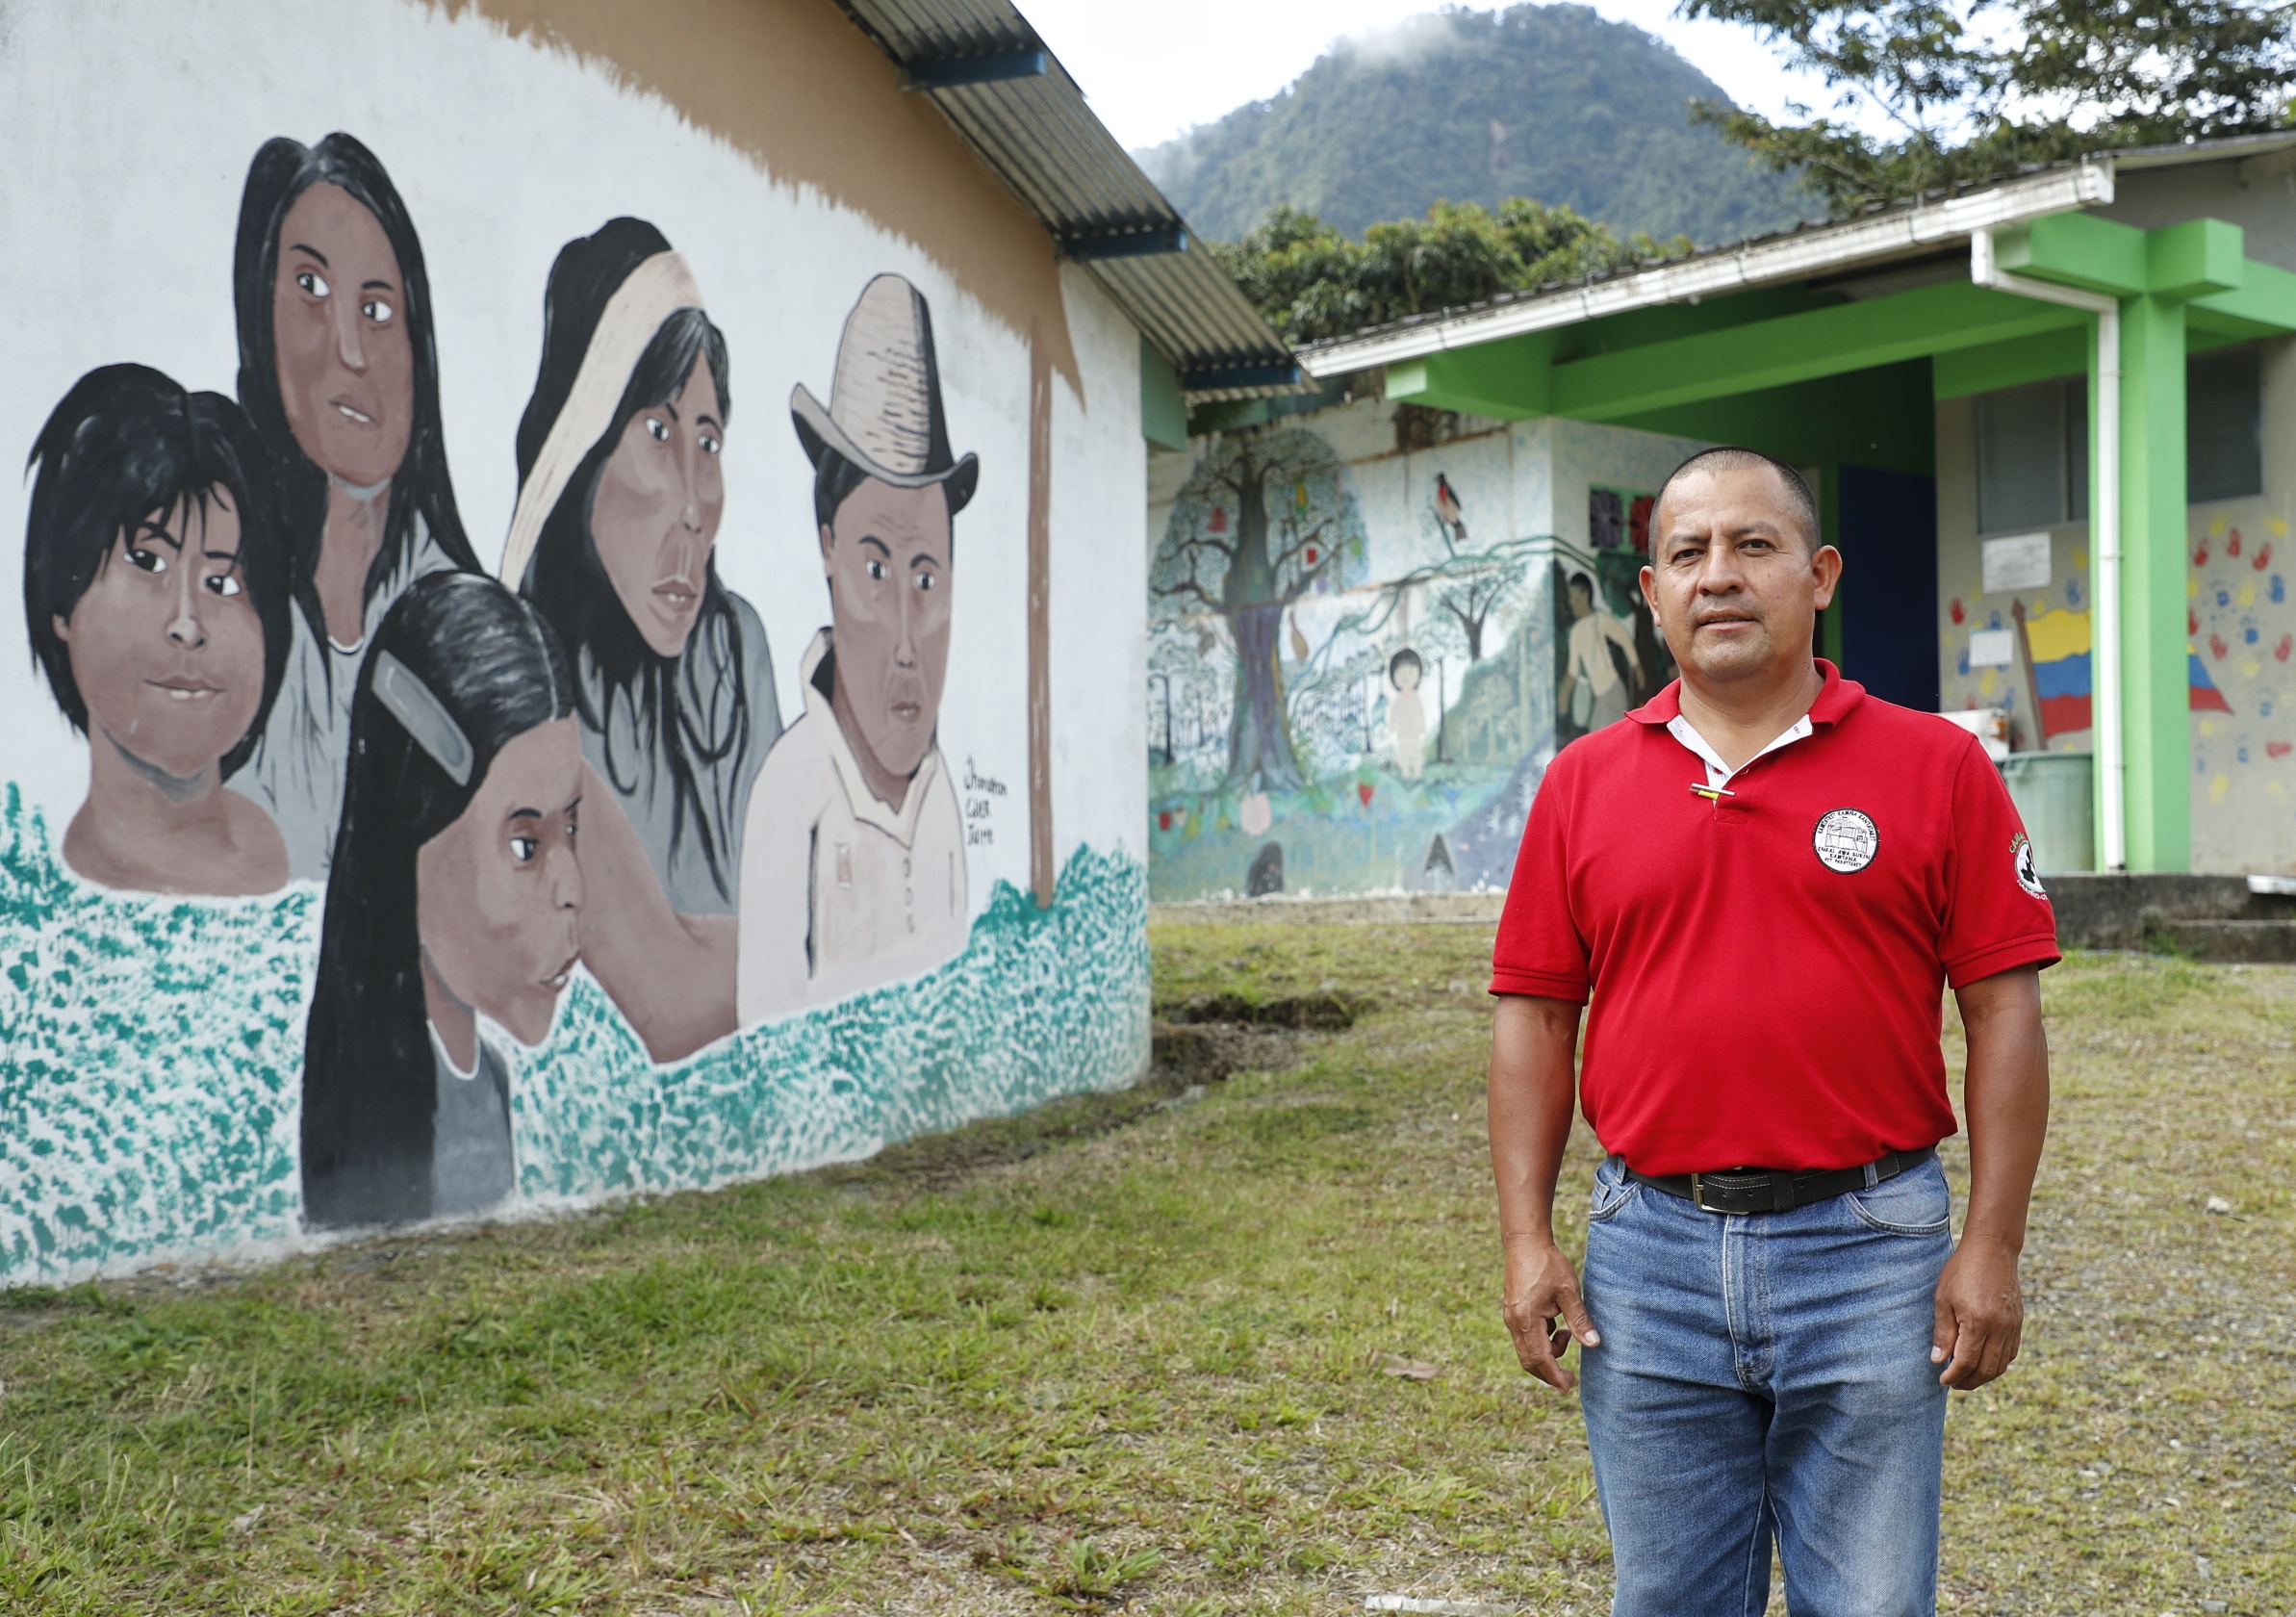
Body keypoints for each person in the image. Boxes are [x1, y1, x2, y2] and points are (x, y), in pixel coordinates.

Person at [1487, 447, 2056, 1616]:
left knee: (1871, 1602)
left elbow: (2002, 1010)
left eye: (1754, 545)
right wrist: (1524, 1237)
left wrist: (1991, 1245)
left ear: (1819, 573)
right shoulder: (1581, 785)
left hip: (1871, 1249)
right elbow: (1537, 1022)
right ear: (1650, 595)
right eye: (1686, 554)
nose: (1719, 577)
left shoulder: (1935, 767)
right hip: (1646, 1258)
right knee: (1669, 1599)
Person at [504, 218, 778, 1063]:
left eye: (710, 440)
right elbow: (673, 1002)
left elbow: (784, 917)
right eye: (658, 434)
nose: (696, 503)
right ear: (581, 445)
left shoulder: (734, 655)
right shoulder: (521, 687)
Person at [227, 133, 482, 881]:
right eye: (309, 289)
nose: (352, 350)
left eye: (377, 307)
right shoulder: (216, 586)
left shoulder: (461, 628)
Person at [300, 572, 581, 1229]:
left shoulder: (490, 1083)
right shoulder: (364, 1113)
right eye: (524, 846)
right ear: (409, 840)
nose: (574, 893)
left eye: (574, 827)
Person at [737, 273, 975, 1022]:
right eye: (876, 572)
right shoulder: (791, 797)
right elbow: (767, 1055)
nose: (907, 643)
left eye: (927, 579)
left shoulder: (942, 798)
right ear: (828, 552)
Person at [23, 364, 292, 896]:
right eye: (147, 561)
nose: (188, 624)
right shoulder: (28, 895)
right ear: (63, 600)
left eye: (223, 581)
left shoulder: (317, 874)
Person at [1562, 569, 1641, 733]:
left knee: (1603, 745)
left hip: (1613, 691)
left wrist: (1636, 667)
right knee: (1595, 743)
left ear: (1584, 595)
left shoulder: (1600, 620)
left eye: (1573, 595)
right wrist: (1563, 696)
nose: (1570, 601)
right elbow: (1573, 671)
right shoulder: (1577, 631)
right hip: (1600, 697)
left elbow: (1624, 639)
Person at [1387, 647, 1427, 781]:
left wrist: (1422, 725)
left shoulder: (1416, 698)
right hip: (1403, 731)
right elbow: (1394, 713)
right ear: (1393, 676)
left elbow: (1420, 712)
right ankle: (1405, 770)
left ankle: (1417, 770)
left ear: (1418, 674)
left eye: (1410, 671)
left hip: (1413, 731)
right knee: (1403, 751)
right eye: (1401, 672)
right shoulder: (1398, 700)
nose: (1405, 676)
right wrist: (1392, 725)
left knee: (1415, 751)